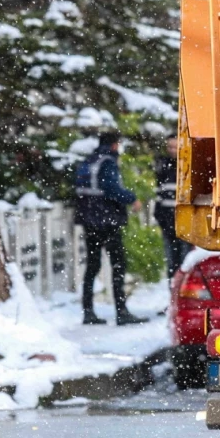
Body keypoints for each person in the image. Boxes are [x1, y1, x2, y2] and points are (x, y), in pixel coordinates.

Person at [75, 131, 148, 326]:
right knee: (118, 264)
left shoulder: (90, 161)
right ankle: (121, 312)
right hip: (106, 220)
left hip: (89, 220)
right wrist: (131, 198)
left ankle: (88, 312)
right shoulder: (107, 162)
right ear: (115, 145)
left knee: (92, 265)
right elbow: (111, 189)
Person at [154, 137, 191, 279]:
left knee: (184, 261)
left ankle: (181, 292)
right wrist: (160, 218)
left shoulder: (187, 166)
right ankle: (173, 293)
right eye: (170, 147)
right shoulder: (163, 167)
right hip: (168, 222)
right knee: (171, 262)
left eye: (175, 147)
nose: (172, 150)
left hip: (184, 222)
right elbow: (159, 195)